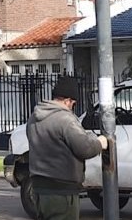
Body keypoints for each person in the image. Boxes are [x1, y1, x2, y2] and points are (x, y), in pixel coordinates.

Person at [26, 76, 107, 220]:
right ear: (67, 101)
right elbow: (85, 148)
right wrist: (100, 143)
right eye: (73, 104)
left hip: (38, 188)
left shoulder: (34, 118)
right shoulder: (65, 119)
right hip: (62, 190)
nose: (72, 108)